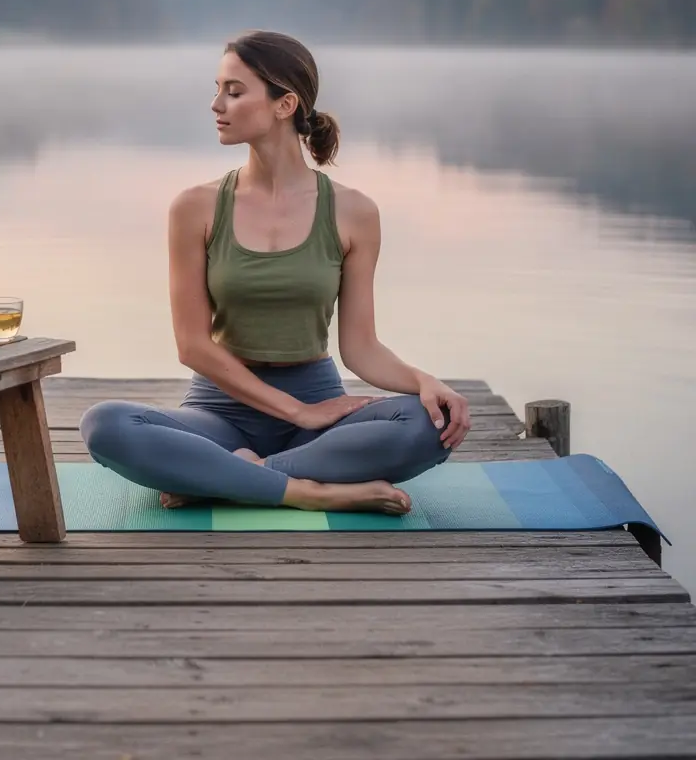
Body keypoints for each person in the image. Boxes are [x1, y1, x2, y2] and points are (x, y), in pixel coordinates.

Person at [81, 31, 470, 514]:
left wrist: (424, 381)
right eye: (218, 88)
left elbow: (361, 348)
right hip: (220, 411)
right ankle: (309, 489)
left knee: (431, 423)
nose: (216, 103)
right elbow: (193, 346)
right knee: (106, 425)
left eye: (235, 91)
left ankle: (231, 478)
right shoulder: (195, 207)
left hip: (319, 402)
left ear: (285, 104)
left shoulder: (353, 212)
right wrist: (295, 412)